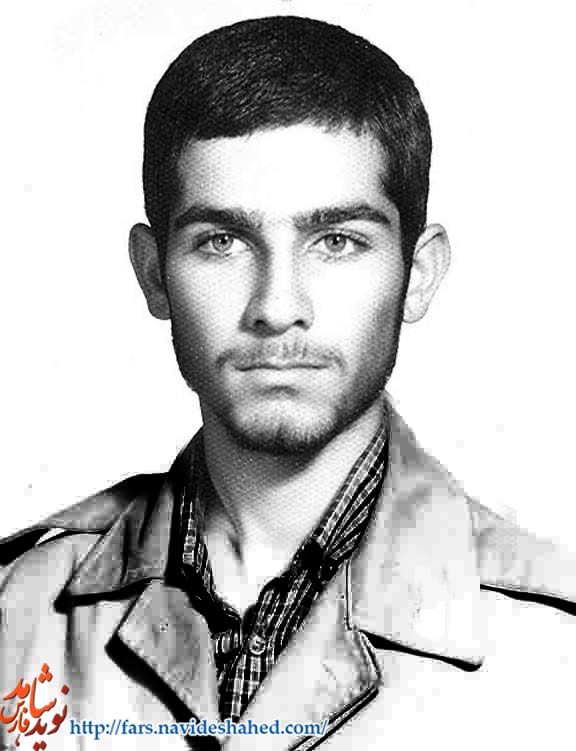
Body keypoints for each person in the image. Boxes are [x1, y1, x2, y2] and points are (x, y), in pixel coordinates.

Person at [1, 14, 575, 751]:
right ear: (154, 275)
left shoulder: (553, 648)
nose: (276, 307)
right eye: (222, 241)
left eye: (337, 241)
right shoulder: (18, 610)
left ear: (418, 274)